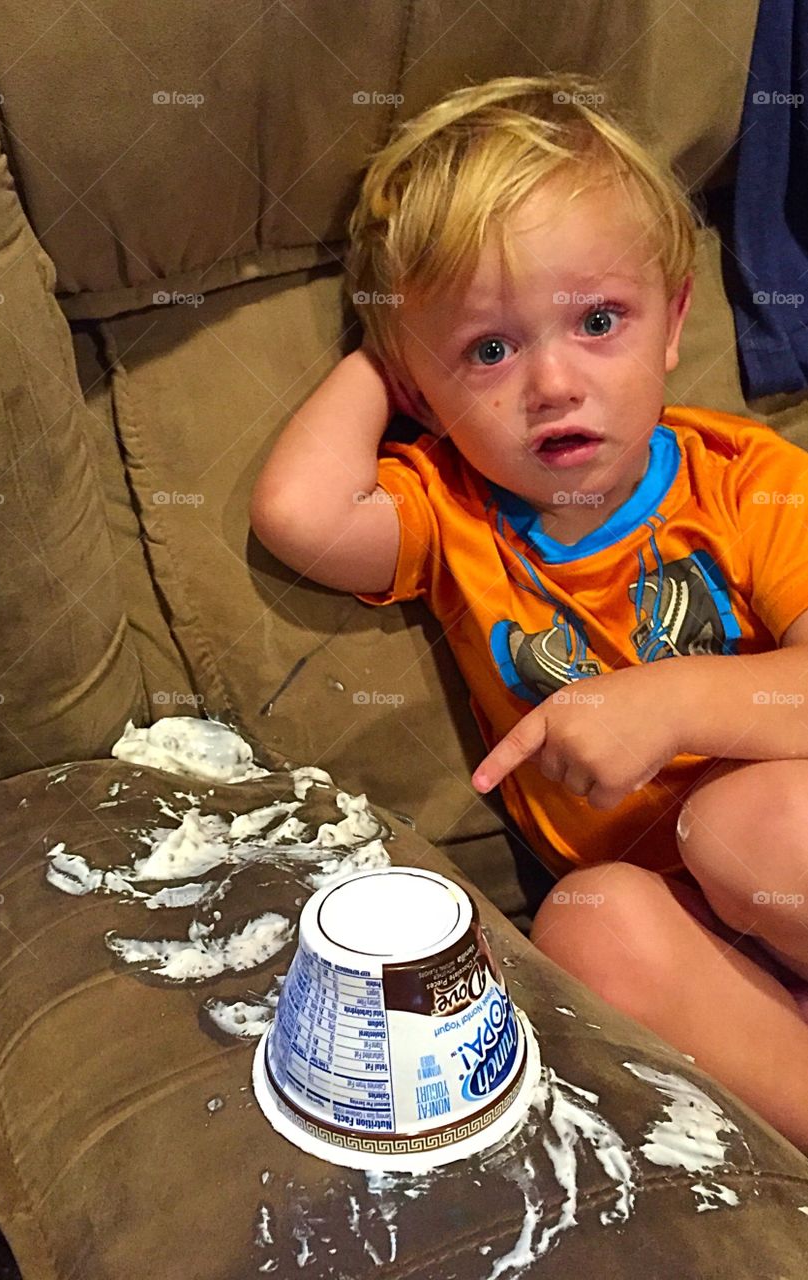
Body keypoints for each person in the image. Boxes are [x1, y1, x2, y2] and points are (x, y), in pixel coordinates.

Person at [249, 73, 808, 1152]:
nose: (550, 382)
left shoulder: (745, 479)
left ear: (670, 323)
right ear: (421, 392)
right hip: (686, 929)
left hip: (782, 840)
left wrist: (674, 701)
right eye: (489, 350)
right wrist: (392, 355)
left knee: (742, 822)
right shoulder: (447, 509)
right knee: (582, 925)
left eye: (598, 320)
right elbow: (297, 511)